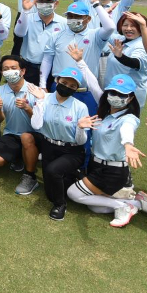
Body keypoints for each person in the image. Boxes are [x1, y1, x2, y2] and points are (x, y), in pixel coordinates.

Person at [65, 74, 147, 227]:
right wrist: (80, 63)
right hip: (95, 165)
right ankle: (138, 203)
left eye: (122, 95)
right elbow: (93, 84)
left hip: (111, 172)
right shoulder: (104, 115)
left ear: (130, 98)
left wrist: (128, 144)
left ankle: (124, 206)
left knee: (73, 193)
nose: (116, 97)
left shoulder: (129, 118)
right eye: (113, 92)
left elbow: (127, 129)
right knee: (96, 207)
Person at [28, 65, 90, 221]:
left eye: (72, 86)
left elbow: (81, 141)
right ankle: (73, 176)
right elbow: (36, 125)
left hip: (72, 151)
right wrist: (39, 102)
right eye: (64, 83)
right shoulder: (44, 98)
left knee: (53, 171)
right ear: (57, 80)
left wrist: (80, 128)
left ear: (76, 89)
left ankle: (60, 205)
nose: (67, 87)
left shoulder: (80, 107)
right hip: (49, 146)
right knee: (50, 193)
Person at [0, 55, 42, 195]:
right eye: (6, 69)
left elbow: (41, 122)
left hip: (34, 135)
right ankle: (19, 157)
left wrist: (27, 108)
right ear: (2, 72)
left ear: (22, 71)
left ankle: (30, 176)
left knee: (26, 137)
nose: (9, 71)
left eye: (13, 68)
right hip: (12, 134)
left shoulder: (36, 91)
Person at [12, 0, 65, 86]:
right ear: (36, 3)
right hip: (29, 67)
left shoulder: (64, 23)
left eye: (48, 1)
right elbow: (19, 33)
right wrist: (25, 11)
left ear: (56, 3)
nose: (44, 4)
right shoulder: (28, 18)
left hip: (52, 69)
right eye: (41, 1)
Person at [103, 11, 147, 106]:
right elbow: (106, 30)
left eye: (133, 26)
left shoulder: (142, 45)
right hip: (112, 91)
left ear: (141, 28)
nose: (128, 29)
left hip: (128, 96)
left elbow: (136, 63)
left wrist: (120, 57)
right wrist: (103, 14)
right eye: (125, 25)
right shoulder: (121, 39)